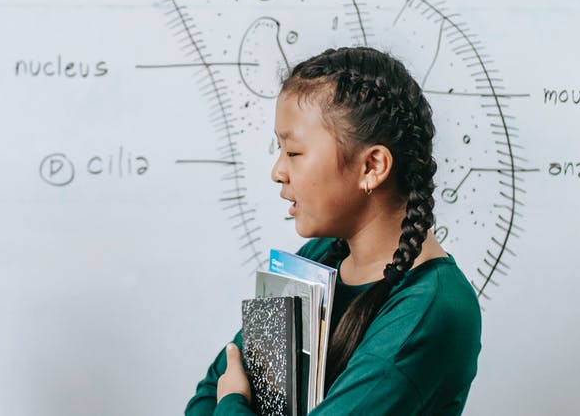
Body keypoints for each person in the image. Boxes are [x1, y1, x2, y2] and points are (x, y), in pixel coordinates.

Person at [186, 47, 482, 415]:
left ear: (372, 166)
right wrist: (226, 393)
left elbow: (224, 390)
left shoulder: (431, 310)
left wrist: (232, 402)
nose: (278, 171)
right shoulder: (321, 256)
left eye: (293, 152)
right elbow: (208, 391)